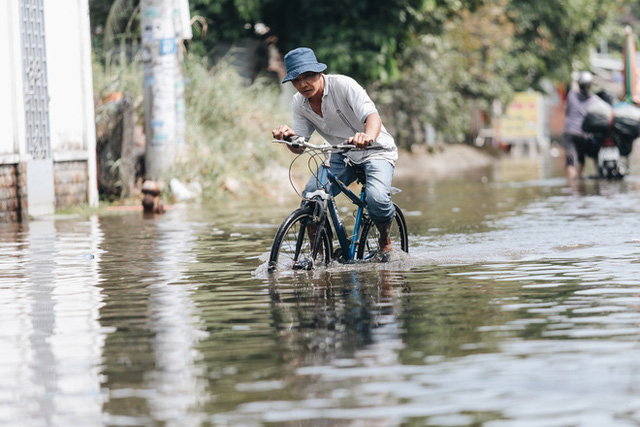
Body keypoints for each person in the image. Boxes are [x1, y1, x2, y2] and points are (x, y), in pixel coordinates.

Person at [272, 47, 398, 254]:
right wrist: (288, 138)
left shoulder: (343, 85)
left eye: (308, 76)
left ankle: (385, 241)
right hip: (342, 154)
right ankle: (318, 256)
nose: (303, 84)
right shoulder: (299, 103)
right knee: (311, 198)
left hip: (376, 151)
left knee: (376, 199)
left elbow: (372, 116)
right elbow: (300, 145)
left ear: (320, 73)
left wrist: (367, 136)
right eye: (296, 80)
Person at [562, 71, 600, 181]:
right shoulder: (594, 100)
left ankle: (572, 184)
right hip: (583, 133)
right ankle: (577, 180)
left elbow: (567, 112)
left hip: (569, 131)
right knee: (581, 159)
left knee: (570, 160)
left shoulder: (571, 95)